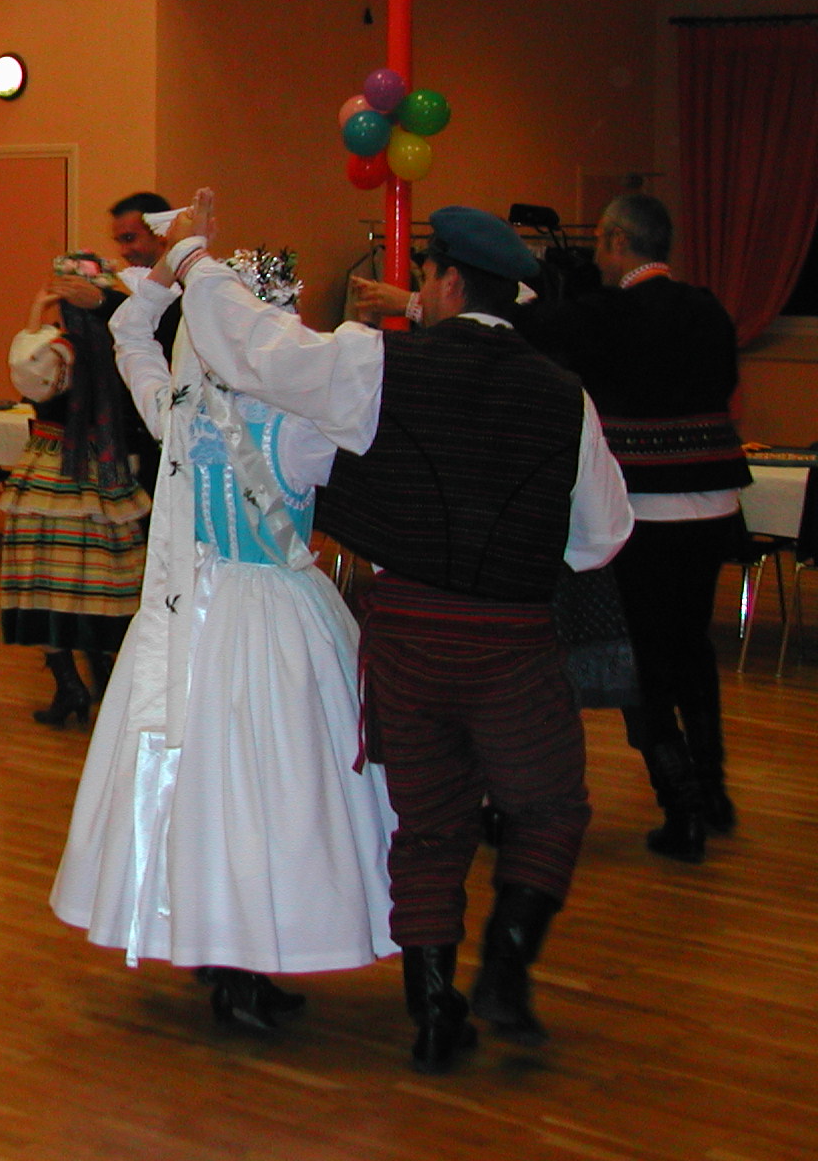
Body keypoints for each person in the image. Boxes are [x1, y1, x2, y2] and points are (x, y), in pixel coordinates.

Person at [152, 190, 631, 1071]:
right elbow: (600, 538)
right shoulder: (567, 398)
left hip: (407, 635)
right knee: (550, 806)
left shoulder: (377, 364)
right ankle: (507, 967)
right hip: (512, 640)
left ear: (445, 283)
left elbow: (254, 347)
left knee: (430, 824)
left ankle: (435, 1012)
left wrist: (191, 259)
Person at [51, 245, 395, 1031]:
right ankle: (252, 950)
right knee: (277, 783)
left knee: (199, 778)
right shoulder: (303, 430)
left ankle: (210, 936)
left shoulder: (180, 411)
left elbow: (128, 341)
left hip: (191, 611)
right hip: (279, 611)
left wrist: (157, 287)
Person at [518, 193, 750, 861]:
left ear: (620, 241)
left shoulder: (609, 313)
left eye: (602, 241)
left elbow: (530, 331)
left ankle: (682, 809)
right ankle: (713, 789)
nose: (596, 253)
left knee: (638, 657)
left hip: (647, 510)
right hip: (715, 503)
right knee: (691, 647)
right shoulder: (709, 309)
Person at [1, 251, 148, 726]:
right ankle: (98, 677)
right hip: (105, 473)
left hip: (56, 475)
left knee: (47, 582)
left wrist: (34, 314)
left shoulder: (62, 350)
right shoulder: (125, 350)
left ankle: (72, 684)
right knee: (98, 582)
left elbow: (29, 374)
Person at [108, 192, 178, 496]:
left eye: (130, 238)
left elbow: (156, 341)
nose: (124, 251)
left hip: (177, 429)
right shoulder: (136, 290)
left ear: (162, 234)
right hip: (142, 431)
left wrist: (104, 304)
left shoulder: (191, 290)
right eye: (119, 241)